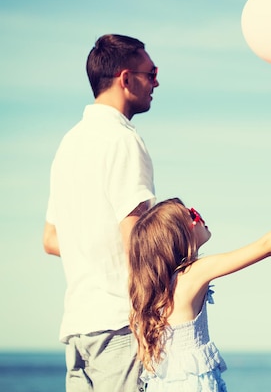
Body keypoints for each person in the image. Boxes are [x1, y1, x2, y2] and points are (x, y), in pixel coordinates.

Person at [128, 178, 271, 392]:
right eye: (192, 214)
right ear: (180, 235)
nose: (200, 216)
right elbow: (266, 247)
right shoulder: (194, 274)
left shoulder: (157, 293)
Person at [42, 34, 160, 392]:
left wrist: (92, 248)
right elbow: (134, 239)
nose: (156, 81)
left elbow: (51, 239)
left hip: (78, 329)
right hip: (118, 326)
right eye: (151, 72)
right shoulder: (123, 139)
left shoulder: (69, 142)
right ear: (126, 79)